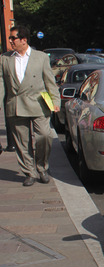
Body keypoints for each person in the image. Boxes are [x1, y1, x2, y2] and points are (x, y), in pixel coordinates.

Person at [0, 25, 60, 186]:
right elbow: (1, 83)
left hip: (39, 104)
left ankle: (42, 167)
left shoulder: (40, 57)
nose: (10, 41)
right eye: (10, 38)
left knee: (45, 136)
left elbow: (50, 81)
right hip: (16, 105)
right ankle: (29, 172)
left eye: (13, 38)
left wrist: (56, 101)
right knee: (22, 141)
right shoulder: (5, 58)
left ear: (24, 40)